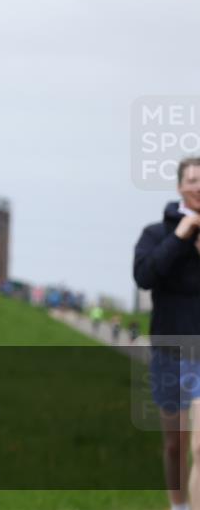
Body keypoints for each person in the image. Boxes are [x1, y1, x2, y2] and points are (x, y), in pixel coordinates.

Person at [134, 156, 200, 510]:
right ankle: (178, 505)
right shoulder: (156, 234)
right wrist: (181, 236)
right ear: (179, 186)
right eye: (192, 180)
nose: (198, 187)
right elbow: (145, 276)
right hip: (169, 352)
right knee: (175, 444)